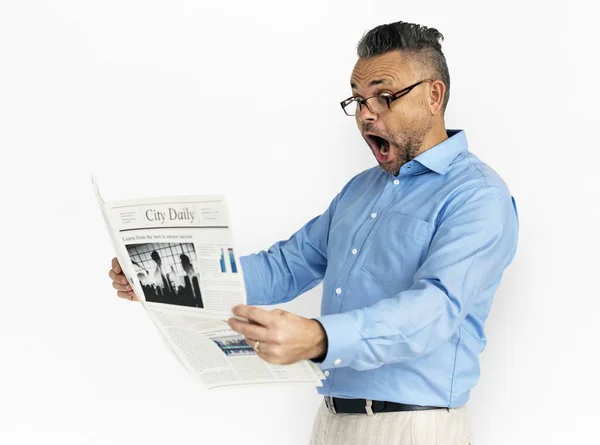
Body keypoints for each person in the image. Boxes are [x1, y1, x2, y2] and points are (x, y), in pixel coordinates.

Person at [108, 20, 519, 445]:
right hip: (331, 422)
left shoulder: (478, 197)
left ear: (434, 95)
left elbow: (434, 310)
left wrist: (320, 337)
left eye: (384, 96)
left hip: (414, 429)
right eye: (358, 100)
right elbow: (286, 266)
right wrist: (167, 277)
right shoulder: (361, 190)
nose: (366, 114)